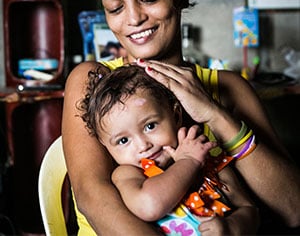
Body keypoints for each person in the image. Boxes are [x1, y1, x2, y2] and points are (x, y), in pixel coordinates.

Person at [62, 0, 300, 235]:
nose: (134, 18)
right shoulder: (94, 82)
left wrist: (214, 114)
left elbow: (292, 210)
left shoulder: (227, 88)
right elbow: (92, 197)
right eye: (115, 7)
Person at [78, 64, 260, 235]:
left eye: (150, 126)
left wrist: (231, 227)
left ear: (176, 115)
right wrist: (188, 162)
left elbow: (249, 210)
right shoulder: (128, 175)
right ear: (107, 147)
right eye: (123, 140)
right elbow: (150, 206)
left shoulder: (210, 162)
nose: (143, 146)